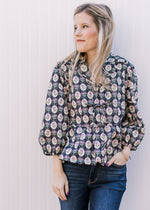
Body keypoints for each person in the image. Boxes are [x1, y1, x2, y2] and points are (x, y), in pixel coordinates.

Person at [38, 3, 145, 210]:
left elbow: (132, 118)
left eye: (84, 26)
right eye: (75, 27)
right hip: (73, 170)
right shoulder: (64, 71)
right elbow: (54, 120)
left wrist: (125, 152)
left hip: (111, 172)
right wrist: (57, 171)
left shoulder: (124, 70)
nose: (77, 33)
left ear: (102, 29)